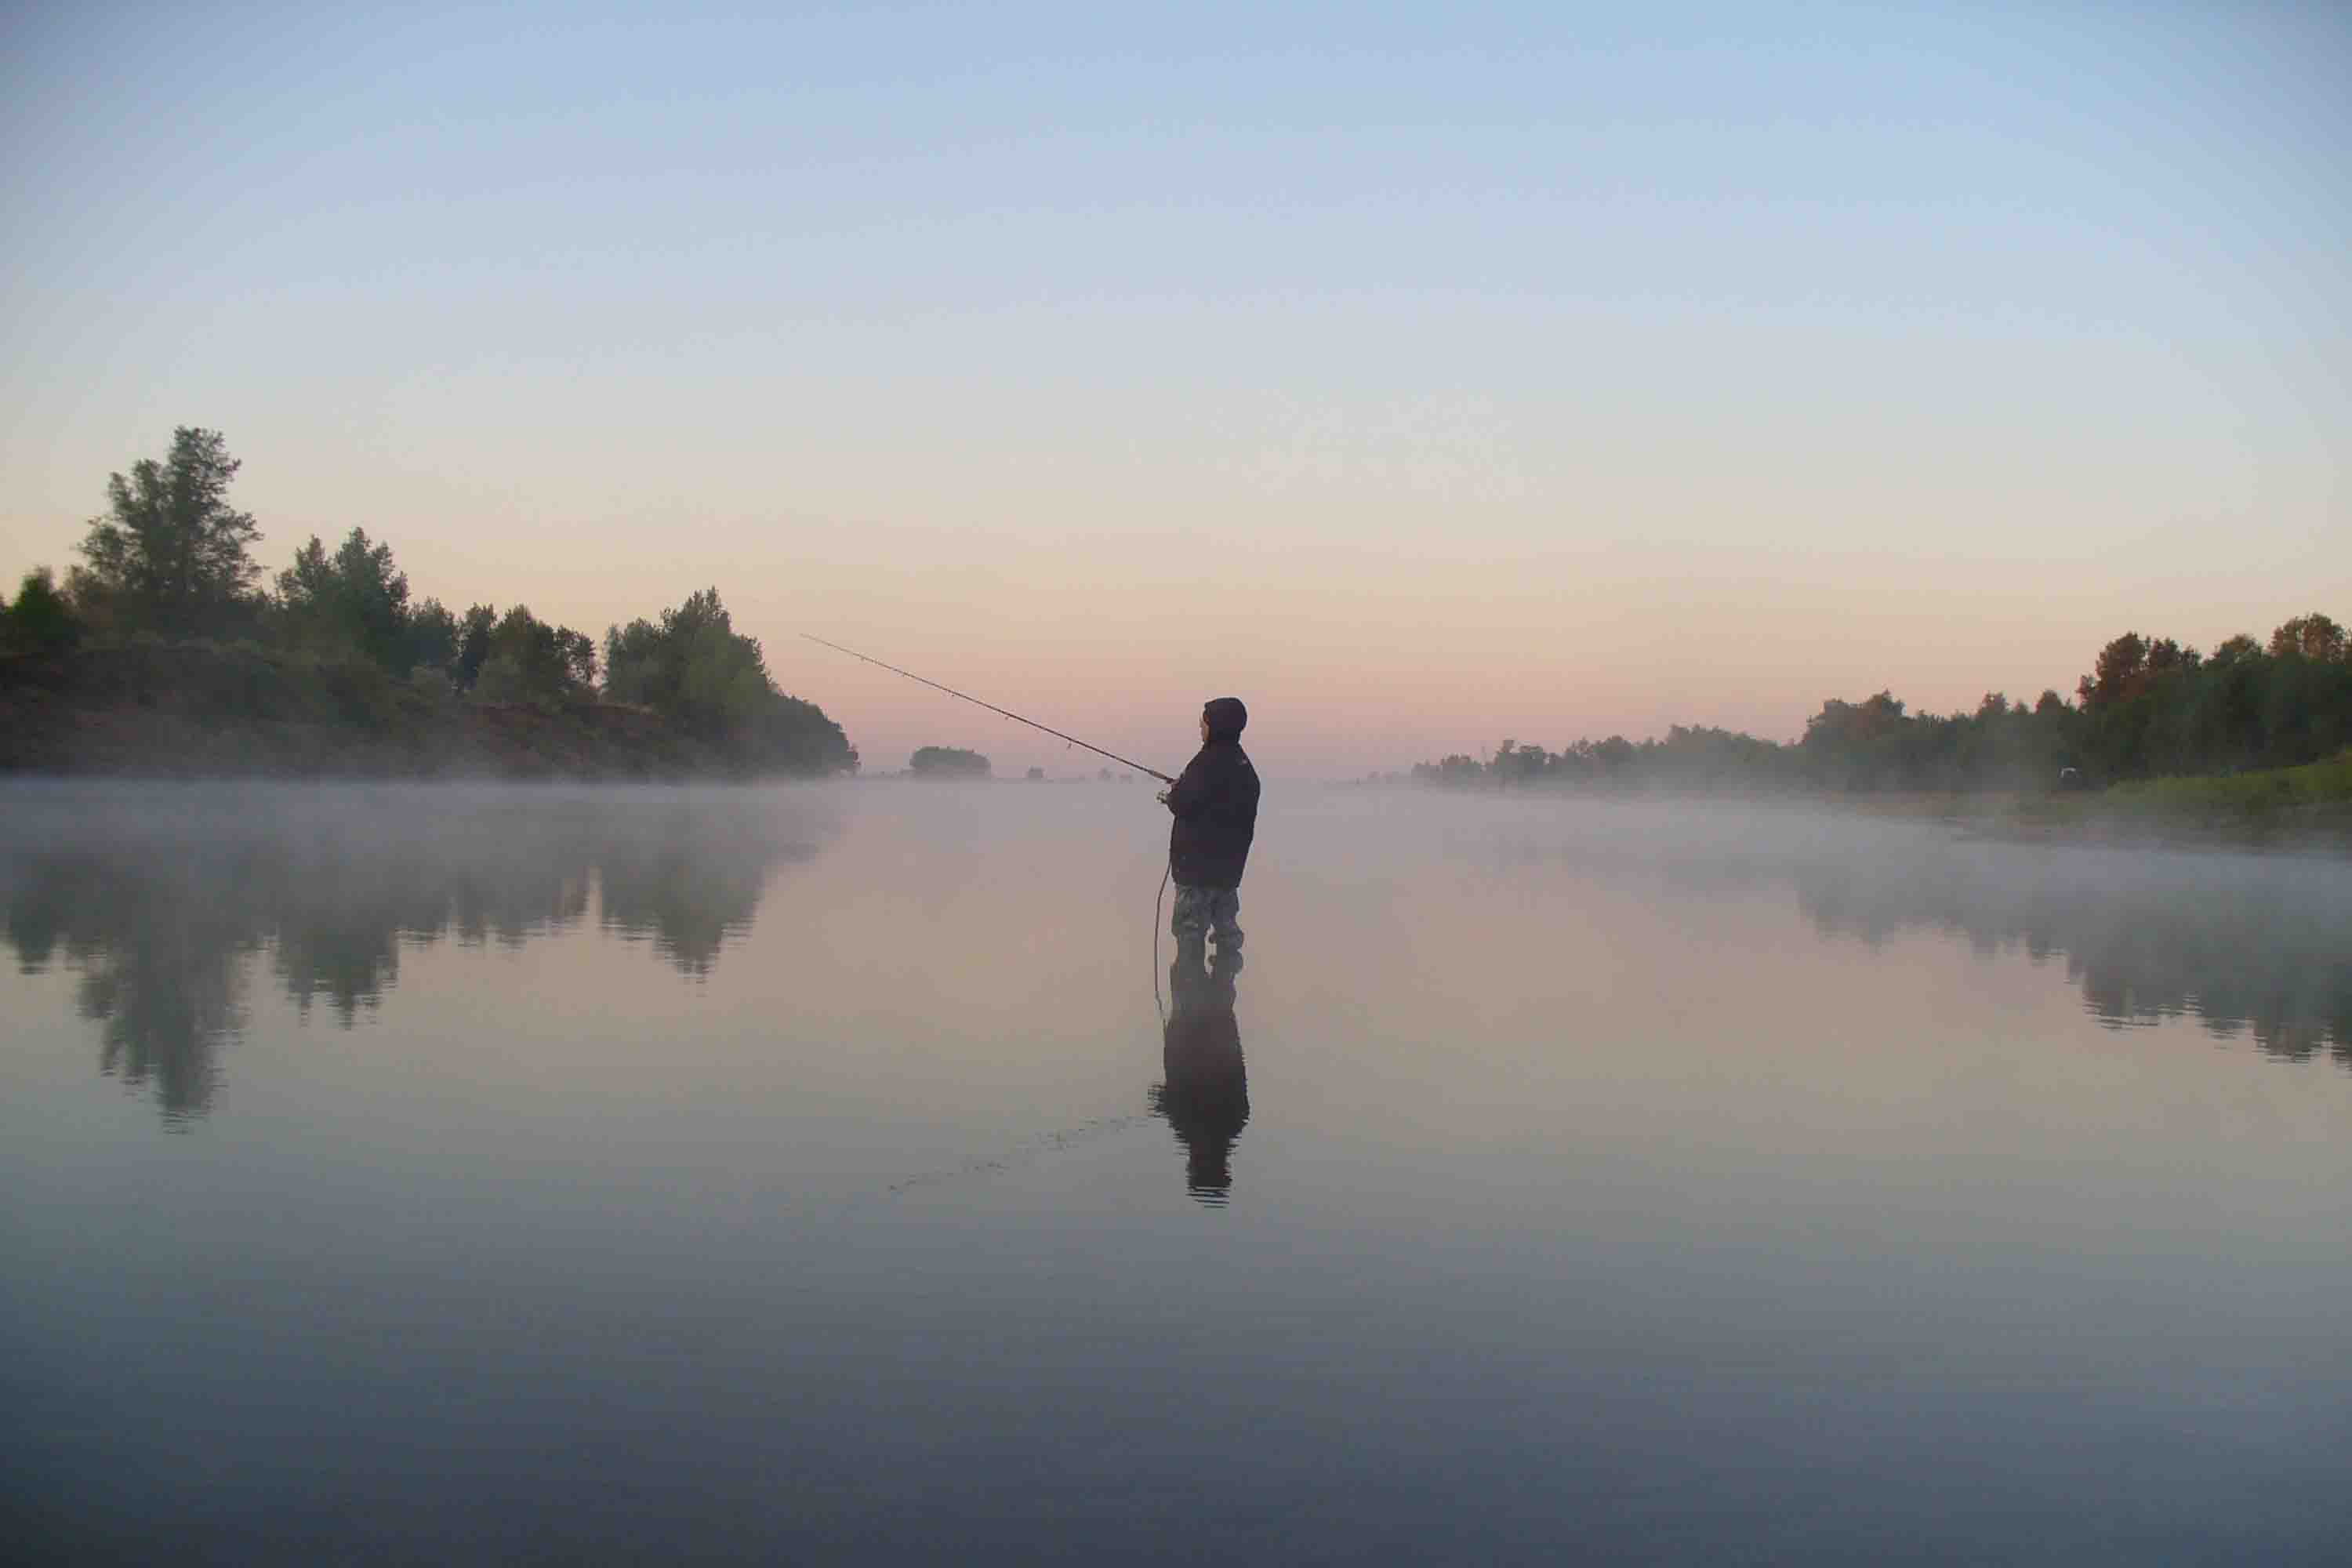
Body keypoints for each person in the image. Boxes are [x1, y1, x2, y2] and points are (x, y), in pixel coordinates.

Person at [1158, 696, 1260, 956]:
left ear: (1217, 726)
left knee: (1189, 937)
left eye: (1204, 724)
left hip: (1195, 876)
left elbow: (1183, 802)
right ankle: (1223, 991)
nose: (1201, 729)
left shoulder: (1206, 764)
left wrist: (1173, 794)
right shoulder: (1244, 767)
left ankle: (1191, 993)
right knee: (1227, 938)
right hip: (1227, 877)